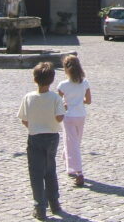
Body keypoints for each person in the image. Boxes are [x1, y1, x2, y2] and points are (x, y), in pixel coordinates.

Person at [17, 62, 66, 221]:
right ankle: (54, 203)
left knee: (36, 173)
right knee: (50, 169)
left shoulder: (28, 97)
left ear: (35, 79)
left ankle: (40, 208)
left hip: (35, 136)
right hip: (52, 136)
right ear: (52, 80)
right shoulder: (55, 98)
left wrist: (35, 126)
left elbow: (24, 120)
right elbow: (59, 118)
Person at [57, 54, 92, 187]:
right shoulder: (85, 82)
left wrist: (66, 103)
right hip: (81, 115)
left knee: (72, 143)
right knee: (75, 141)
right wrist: (79, 100)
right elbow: (88, 101)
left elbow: (57, 101)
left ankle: (79, 172)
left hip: (69, 116)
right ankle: (68, 162)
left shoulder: (63, 85)